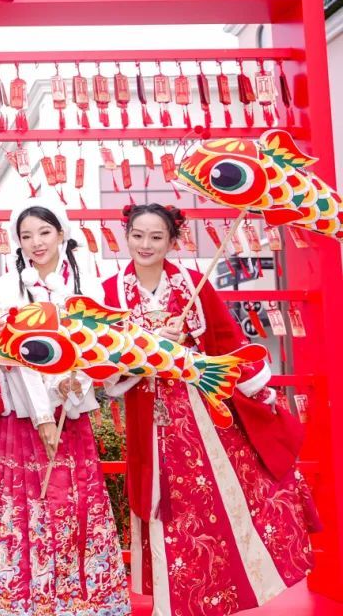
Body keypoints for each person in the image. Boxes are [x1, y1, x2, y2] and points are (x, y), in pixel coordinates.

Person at [102, 203, 319, 616]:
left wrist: (191, 347)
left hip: (205, 411)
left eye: (156, 237)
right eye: (137, 235)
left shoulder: (192, 284)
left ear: (172, 241)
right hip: (150, 415)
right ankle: (174, 601)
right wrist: (150, 350)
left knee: (223, 499)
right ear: (126, 236)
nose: (145, 244)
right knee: (170, 509)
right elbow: (105, 364)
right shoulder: (110, 293)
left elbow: (228, 341)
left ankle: (231, 590)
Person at [0, 196, 130, 615]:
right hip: (27, 414)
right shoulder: (7, 287)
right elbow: (16, 356)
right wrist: (43, 416)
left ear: (62, 233)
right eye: (26, 235)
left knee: (75, 500)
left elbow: (99, 341)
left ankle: (82, 598)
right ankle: (27, 599)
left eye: (44, 232)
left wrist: (78, 381)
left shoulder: (88, 281)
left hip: (74, 406)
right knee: (29, 505)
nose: (36, 242)